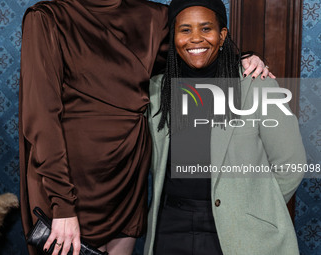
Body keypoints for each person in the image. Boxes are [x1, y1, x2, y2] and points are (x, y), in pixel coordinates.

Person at [19, 0, 272, 254]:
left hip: (126, 177)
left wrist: (242, 58)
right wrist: (62, 204)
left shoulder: (155, 17)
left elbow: (193, 51)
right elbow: (41, 117)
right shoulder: (47, 17)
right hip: (66, 183)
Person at [144, 0, 306, 254]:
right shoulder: (156, 91)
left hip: (237, 228)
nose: (195, 38)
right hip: (170, 224)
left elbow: (291, 164)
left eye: (206, 29)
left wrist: (253, 209)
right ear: (173, 38)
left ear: (222, 36)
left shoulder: (256, 86)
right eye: (185, 30)